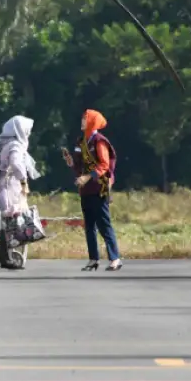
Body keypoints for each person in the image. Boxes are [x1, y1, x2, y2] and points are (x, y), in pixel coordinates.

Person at [64, 109, 121, 271]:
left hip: (99, 187)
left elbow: (104, 165)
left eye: (85, 119)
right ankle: (93, 259)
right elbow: (78, 166)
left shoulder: (99, 141)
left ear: (92, 122)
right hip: (86, 189)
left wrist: (87, 177)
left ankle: (115, 258)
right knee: (89, 225)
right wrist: (70, 163)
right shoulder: (81, 142)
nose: (82, 122)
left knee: (104, 223)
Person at [0, 115, 41, 268]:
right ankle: (5, 256)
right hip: (11, 186)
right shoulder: (15, 146)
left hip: (5, 186)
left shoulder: (3, 143)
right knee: (11, 219)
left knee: (9, 220)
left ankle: (3, 253)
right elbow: (16, 163)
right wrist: (24, 181)